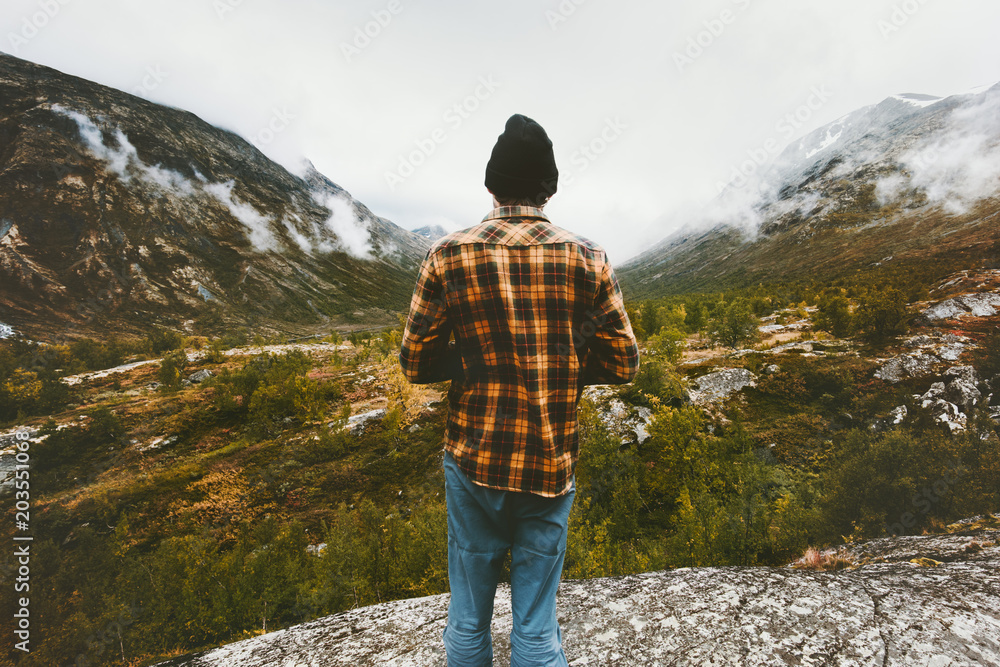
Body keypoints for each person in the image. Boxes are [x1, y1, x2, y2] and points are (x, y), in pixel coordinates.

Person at [399, 113, 639, 666]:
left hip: (472, 457)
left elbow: (414, 361)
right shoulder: (589, 257)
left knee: (466, 620)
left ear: (490, 185)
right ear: (549, 188)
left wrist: (469, 365)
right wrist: (566, 366)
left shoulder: (447, 254)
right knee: (535, 627)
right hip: (550, 462)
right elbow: (623, 362)